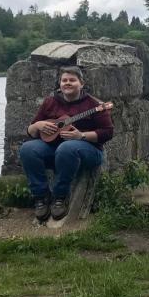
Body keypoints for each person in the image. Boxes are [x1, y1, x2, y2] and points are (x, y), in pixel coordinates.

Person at [19, 66, 113, 222]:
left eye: (72, 80)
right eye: (64, 80)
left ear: (81, 84)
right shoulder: (50, 102)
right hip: (55, 149)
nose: (67, 83)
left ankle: (59, 197)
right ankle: (40, 197)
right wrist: (38, 126)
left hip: (88, 151)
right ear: (60, 84)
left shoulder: (94, 105)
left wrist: (80, 135)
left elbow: (108, 132)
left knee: (66, 148)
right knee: (28, 149)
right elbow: (31, 131)